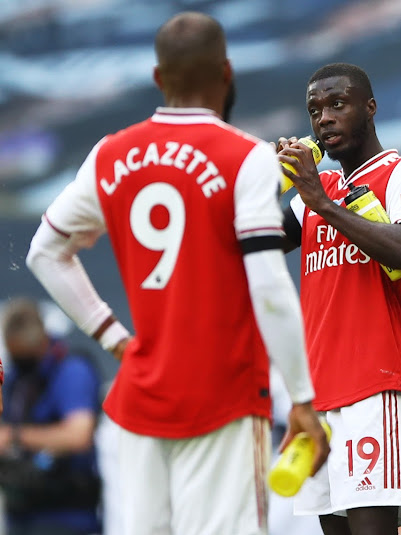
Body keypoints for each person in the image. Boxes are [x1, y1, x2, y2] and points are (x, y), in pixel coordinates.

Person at [25, 11, 328, 535]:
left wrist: (114, 338)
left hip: (138, 401)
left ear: (159, 79)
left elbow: (43, 253)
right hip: (224, 398)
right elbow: (269, 285)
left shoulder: (109, 155)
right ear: (227, 73)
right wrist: (302, 399)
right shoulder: (246, 157)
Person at [276, 62, 401, 534]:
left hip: (374, 388)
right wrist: (253, 183)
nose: (323, 118)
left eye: (337, 104)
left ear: (370, 108)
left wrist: (323, 204)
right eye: (314, 110)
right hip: (318, 398)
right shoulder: (313, 192)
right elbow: (243, 243)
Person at [0, 298, 101, 535]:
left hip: (68, 515)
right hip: (20, 512)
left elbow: (79, 435)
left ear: (41, 341)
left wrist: (13, 436)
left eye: (25, 353)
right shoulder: (15, 377)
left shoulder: (71, 370)